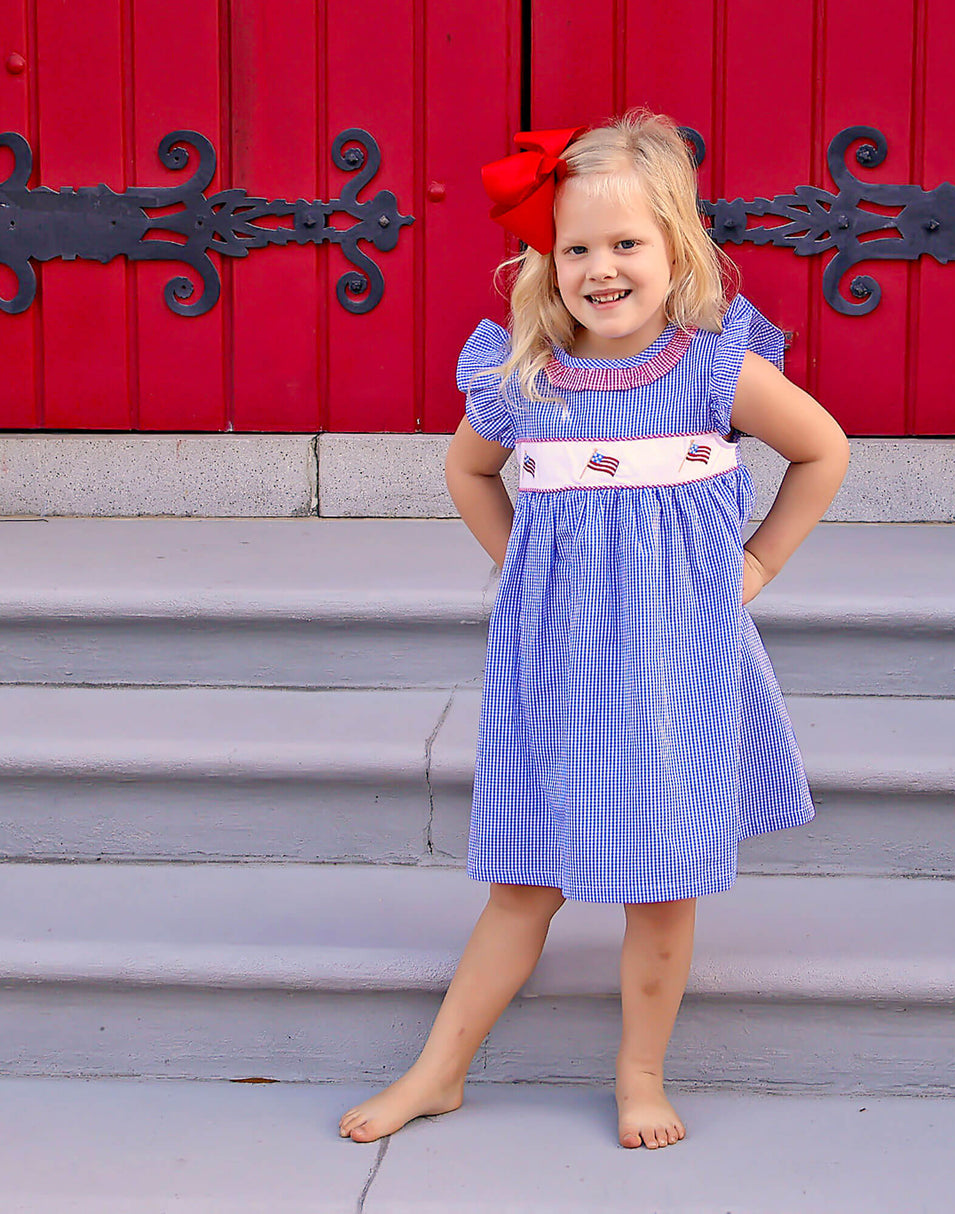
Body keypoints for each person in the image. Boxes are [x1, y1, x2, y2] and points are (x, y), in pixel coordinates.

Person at [338, 108, 850, 1151]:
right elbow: (466, 472)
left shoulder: (710, 372)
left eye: (626, 244)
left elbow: (822, 449)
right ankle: (438, 1070)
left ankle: (639, 1072)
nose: (600, 268)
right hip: (554, 667)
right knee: (524, 875)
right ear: (544, 257)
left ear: (676, 249)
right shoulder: (523, 380)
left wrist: (755, 562)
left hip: (675, 670)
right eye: (576, 247)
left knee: (657, 886)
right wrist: (518, 565)